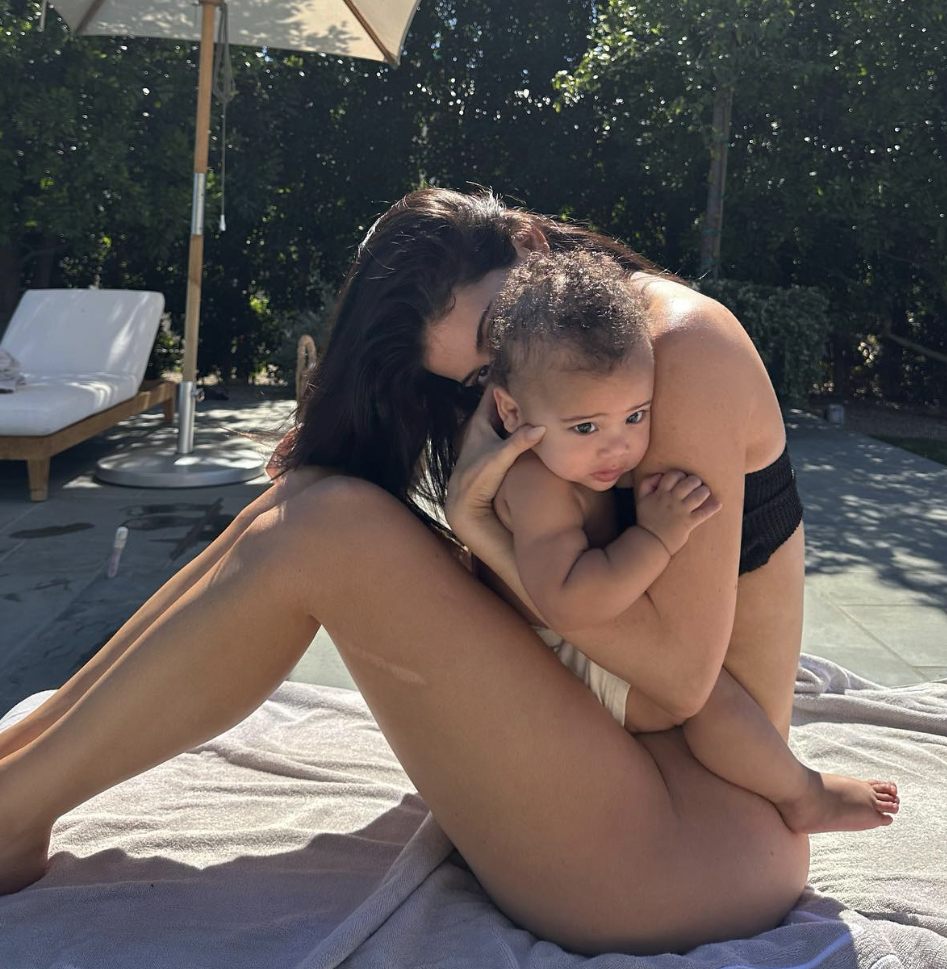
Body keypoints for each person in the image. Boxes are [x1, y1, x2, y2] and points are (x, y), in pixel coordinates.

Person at [0, 187, 841, 954]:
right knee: (314, 499)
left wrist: (481, 528)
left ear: (531, 248)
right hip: (619, 784)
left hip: (693, 846)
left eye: (496, 335)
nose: (499, 379)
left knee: (329, 528)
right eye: (480, 374)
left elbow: (680, 681)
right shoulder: (547, 382)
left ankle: (11, 811)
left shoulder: (677, 350)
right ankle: (16, 771)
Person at [483, 249, 899, 833]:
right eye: (586, 427)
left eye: (636, 415)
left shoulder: (568, 461)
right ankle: (802, 793)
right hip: (569, 665)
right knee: (709, 704)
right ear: (509, 410)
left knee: (710, 696)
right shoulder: (535, 484)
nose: (619, 448)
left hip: (595, 650)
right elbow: (569, 599)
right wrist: (656, 536)